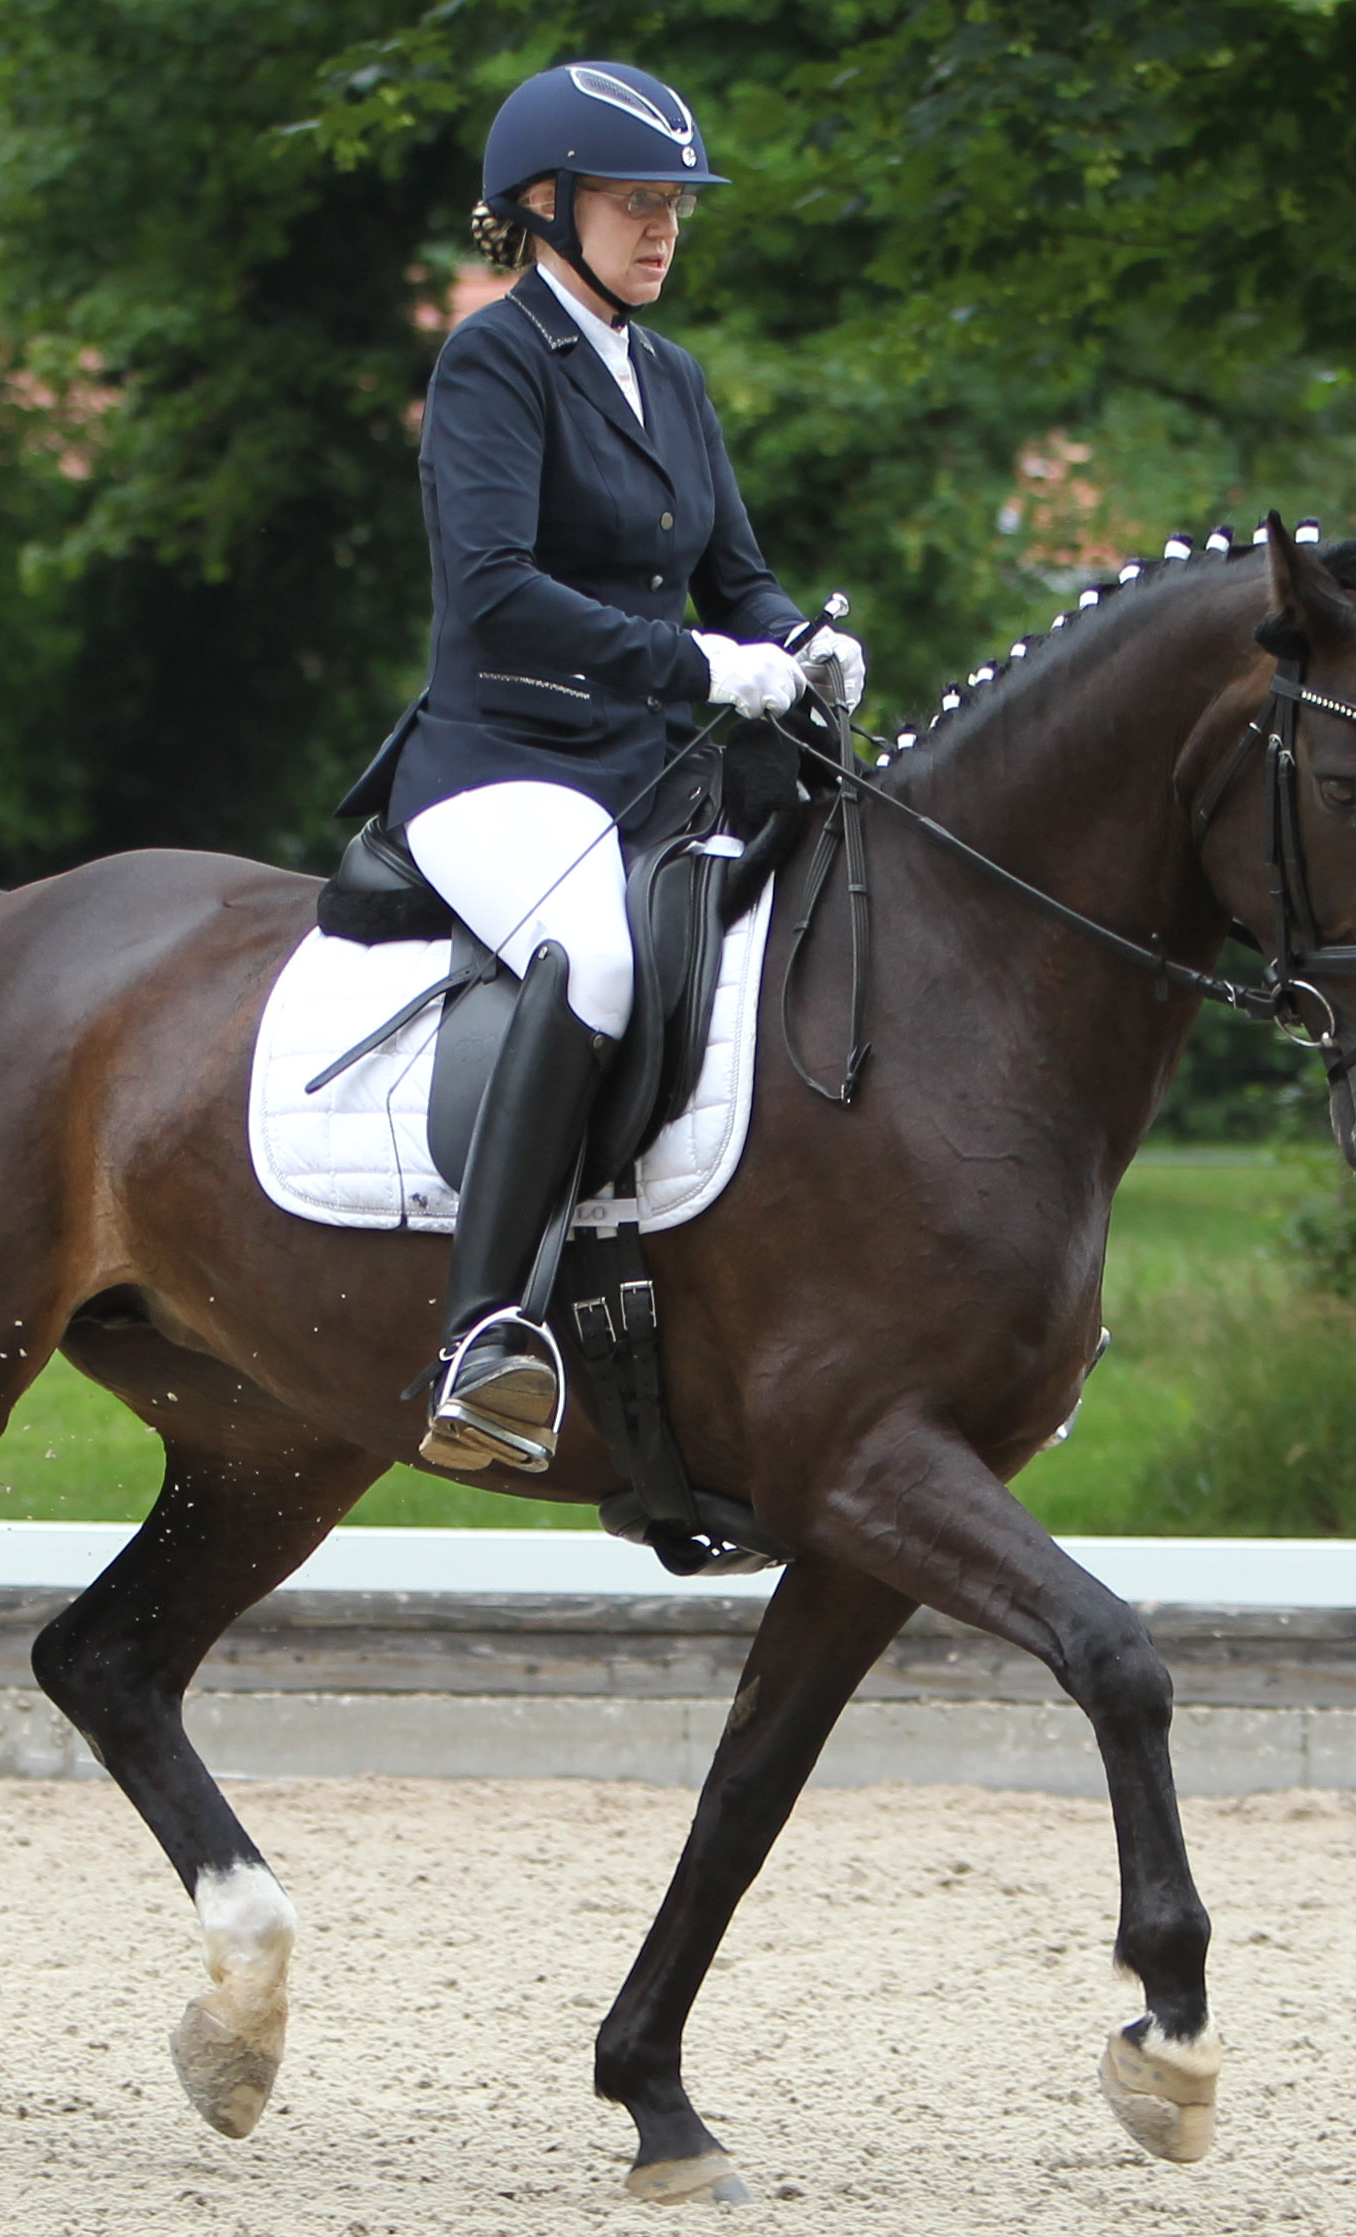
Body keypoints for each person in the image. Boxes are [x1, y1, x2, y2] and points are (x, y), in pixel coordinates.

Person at [364, 60, 866, 1475]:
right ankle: (483, 1334)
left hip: (648, 776)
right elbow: (496, 588)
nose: (663, 229)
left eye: (675, 207)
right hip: (501, 763)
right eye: (636, 203)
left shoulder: (675, 377)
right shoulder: (493, 358)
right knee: (590, 956)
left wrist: (807, 641)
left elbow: (739, 578)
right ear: (543, 205)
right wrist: (707, 664)